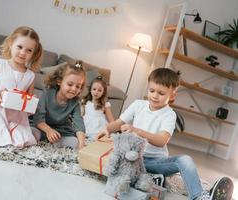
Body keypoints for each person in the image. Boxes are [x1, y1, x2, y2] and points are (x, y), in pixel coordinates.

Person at [96, 68, 233, 200]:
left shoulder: (169, 115)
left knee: (184, 160)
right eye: (152, 91)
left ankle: (199, 196)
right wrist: (107, 129)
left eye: (161, 93)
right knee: (116, 157)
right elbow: (119, 122)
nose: (155, 96)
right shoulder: (138, 105)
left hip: (155, 162)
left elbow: (162, 140)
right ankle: (152, 179)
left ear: (172, 95)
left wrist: (137, 131)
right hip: (133, 159)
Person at [32, 61, 86, 149]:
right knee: (32, 133)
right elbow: (38, 117)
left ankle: (49, 141)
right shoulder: (47, 92)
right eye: (70, 84)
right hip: (41, 127)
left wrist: (82, 144)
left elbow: (78, 123)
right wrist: (48, 131)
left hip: (60, 131)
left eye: (78, 86)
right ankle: (46, 139)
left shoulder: (75, 102)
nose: (74, 89)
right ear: (59, 81)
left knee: (74, 143)